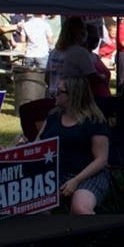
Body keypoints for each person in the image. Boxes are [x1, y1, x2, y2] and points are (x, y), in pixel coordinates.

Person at [34, 76, 110, 214]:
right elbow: (36, 146)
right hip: (54, 173)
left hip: (88, 174)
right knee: (37, 206)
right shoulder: (53, 116)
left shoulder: (94, 120)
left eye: (59, 92)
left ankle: (99, 234)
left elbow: (101, 159)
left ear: (73, 95)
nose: (54, 94)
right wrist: (14, 151)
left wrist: (76, 180)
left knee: (80, 208)